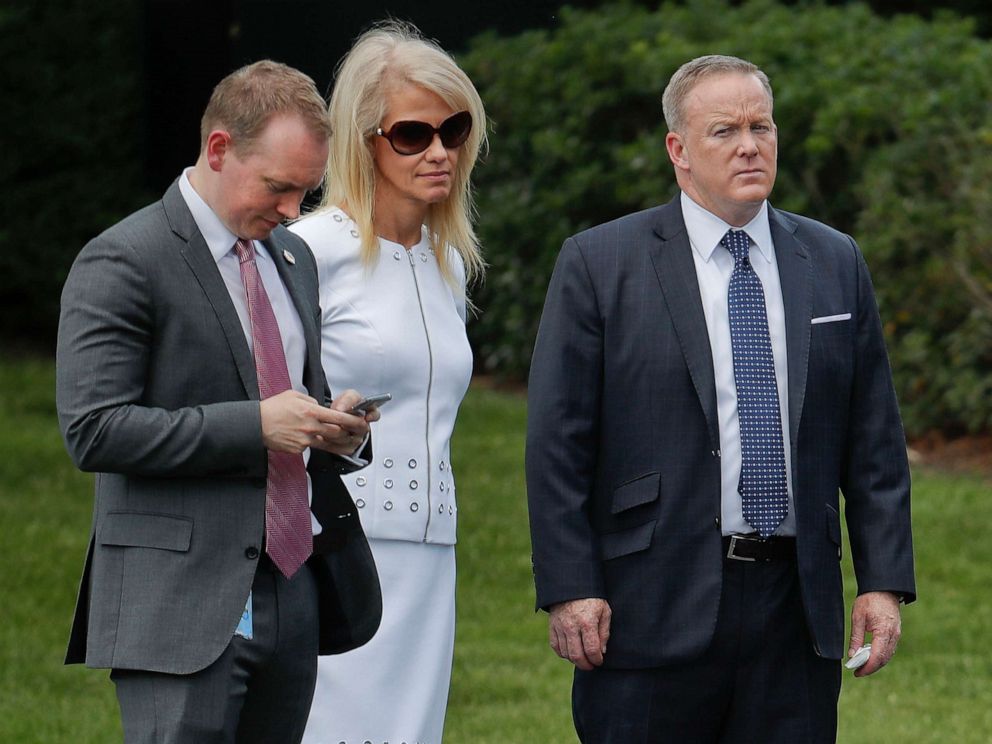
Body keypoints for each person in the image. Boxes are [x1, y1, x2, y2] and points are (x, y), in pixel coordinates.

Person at [525, 54, 916, 743]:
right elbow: (558, 442)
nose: (749, 145)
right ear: (678, 149)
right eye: (724, 131)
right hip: (649, 602)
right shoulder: (600, 262)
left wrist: (883, 583)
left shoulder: (832, 260)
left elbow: (874, 441)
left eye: (761, 126)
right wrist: (569, 585)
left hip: (793, 607)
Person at [56, 60, 383, 743]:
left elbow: (290, 394)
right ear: (219, 150)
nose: (294, 210)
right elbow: (93, 430)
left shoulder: (291, 256)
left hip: (294, 585)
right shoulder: (123, 259)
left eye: (306, 190)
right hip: (180, 600)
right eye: (279, 187)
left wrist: (336, 429)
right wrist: (259, 425)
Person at [289, 21, 487, 744]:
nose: (439, 151)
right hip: (335, 543)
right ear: (362, 139)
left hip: (432, 551)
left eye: (454, 129)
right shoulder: (309, 250)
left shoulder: (448, 260)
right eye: (412, 134)